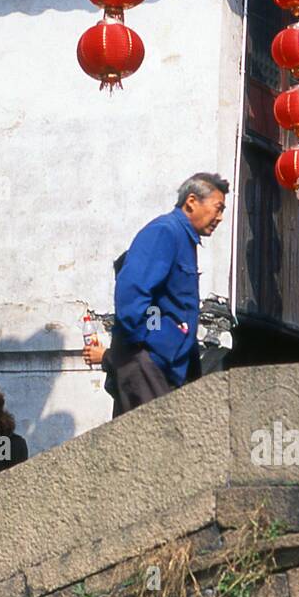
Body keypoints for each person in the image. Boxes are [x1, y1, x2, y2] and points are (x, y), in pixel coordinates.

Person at [91, 172, 229, 415]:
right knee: (155, 442)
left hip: (167, 363)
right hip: (147, 360)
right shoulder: (165, 232)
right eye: (217, 208)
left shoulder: (184, 239)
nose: (219, 217)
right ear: (191, 202)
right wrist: (152, 342)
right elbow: (134, 291)